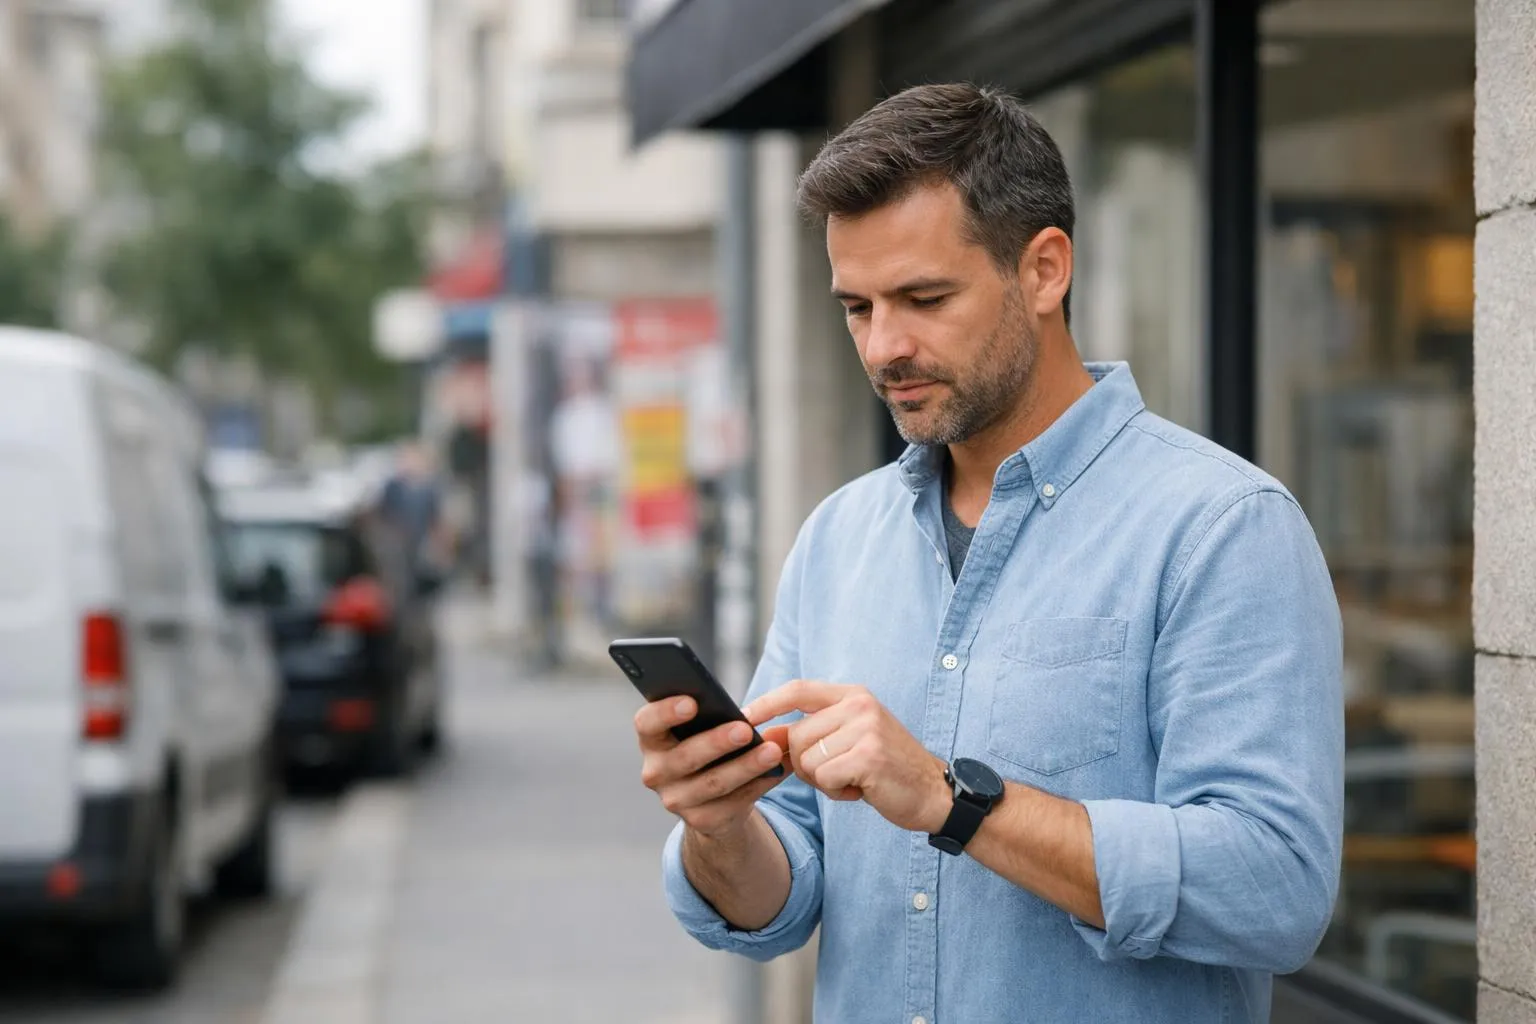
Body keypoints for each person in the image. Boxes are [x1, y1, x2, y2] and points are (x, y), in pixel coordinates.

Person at [634, 83, 1343, 1024]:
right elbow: (783, 895)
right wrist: (718, 823)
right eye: (857, 307)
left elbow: (1276, 891)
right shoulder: (839, 539)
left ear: (1045, 270)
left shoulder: (1222, 526)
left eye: (924, 298)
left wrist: (952, 800)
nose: (885, 345)